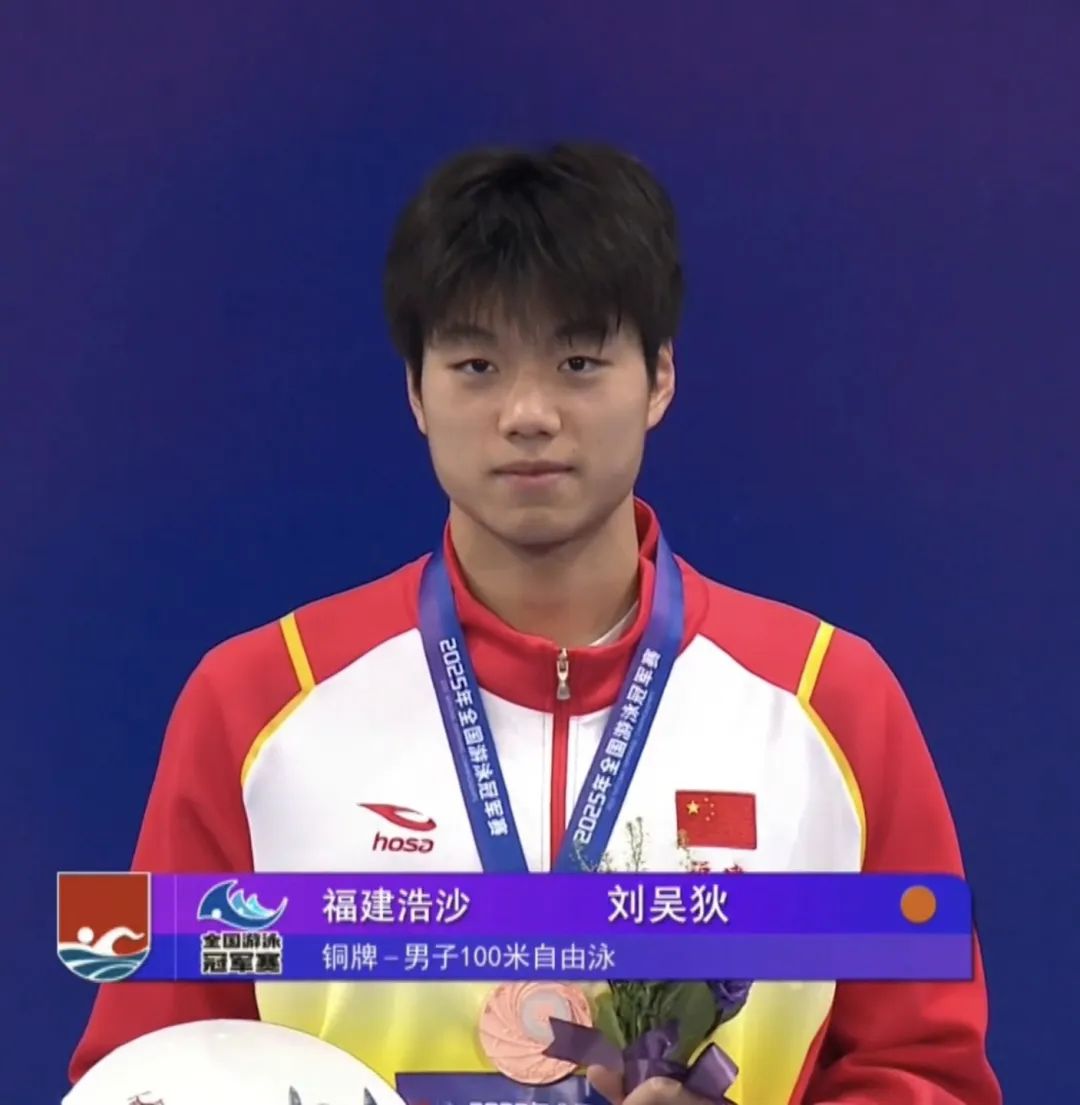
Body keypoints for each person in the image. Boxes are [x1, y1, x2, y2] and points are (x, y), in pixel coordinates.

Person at [69, 142, 1001, 1105]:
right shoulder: (255, 701)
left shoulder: (829, 701)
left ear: (660, 377)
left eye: (578, 361)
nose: (527, 412)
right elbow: (142, 1077)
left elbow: (930, 1075)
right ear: (415, 390)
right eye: (476, 364)